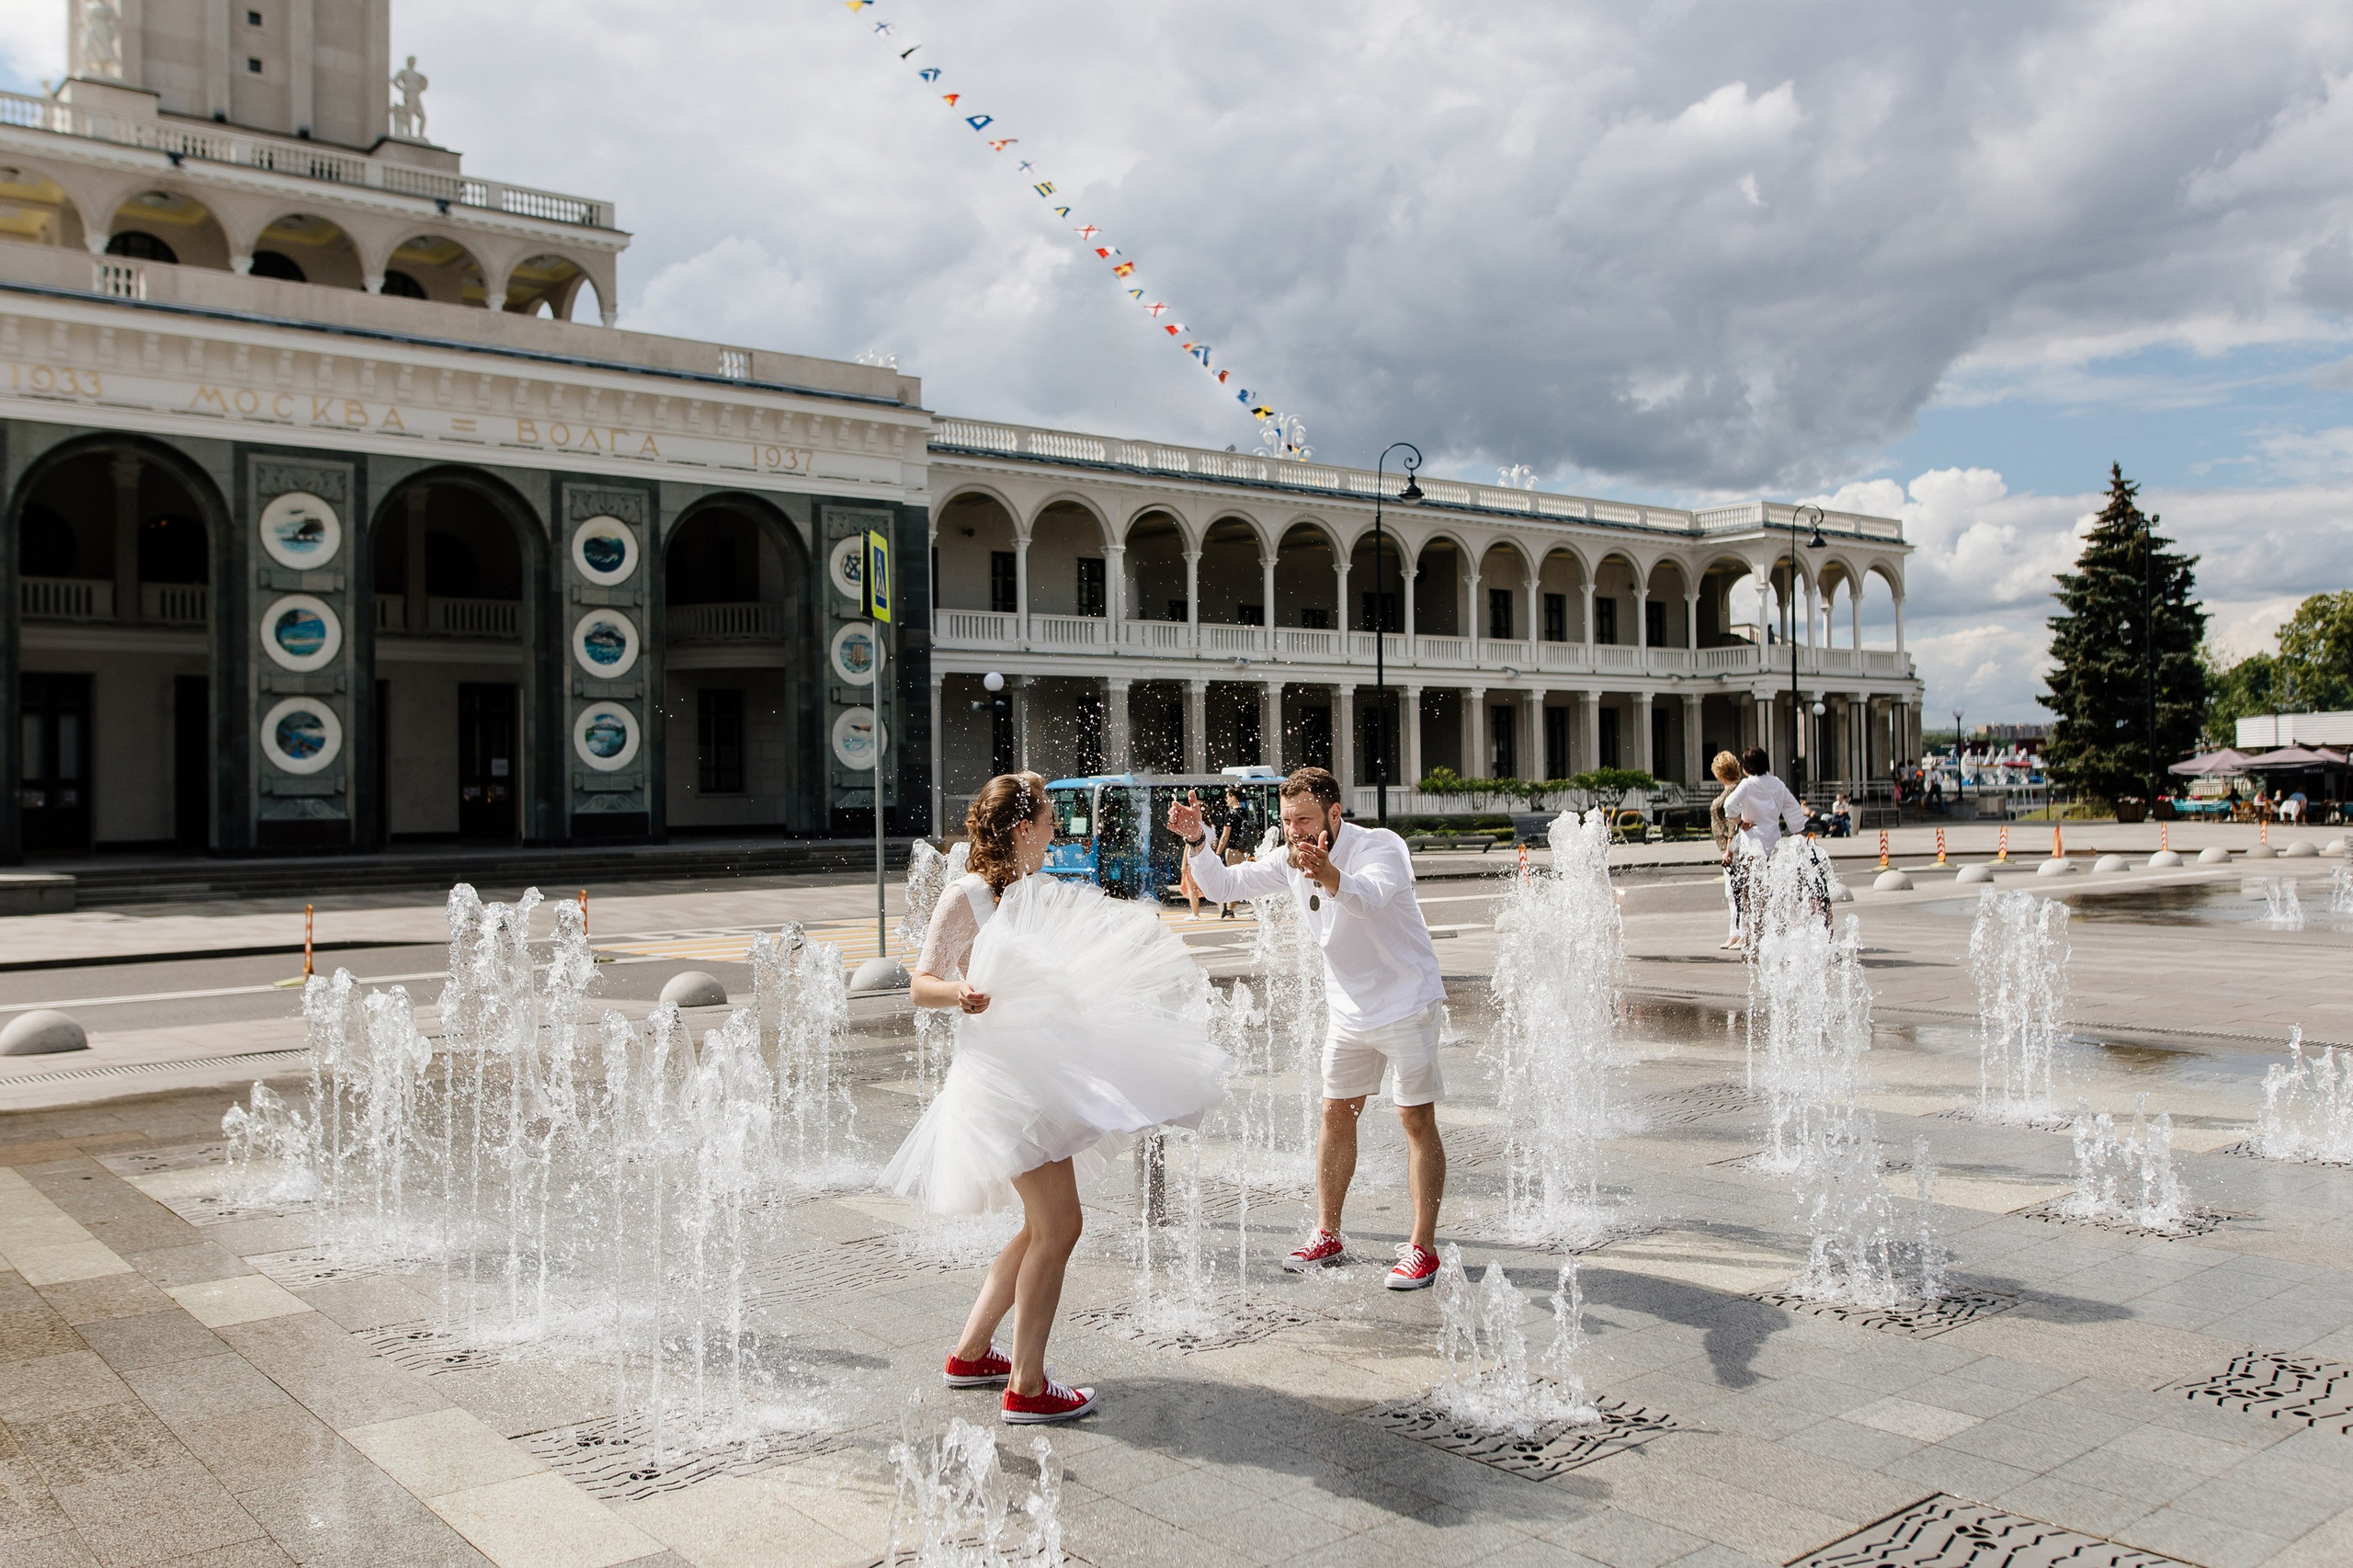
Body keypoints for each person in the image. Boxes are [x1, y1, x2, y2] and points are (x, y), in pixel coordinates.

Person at [888, 771, 1228, 1425]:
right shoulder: (966, 896)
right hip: (1006, 1087)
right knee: (1060, 1227)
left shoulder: (1034, 891)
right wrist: (959, 994)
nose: (1056, 828)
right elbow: (919, 983)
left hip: (1040, 1079)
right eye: (1048, 818)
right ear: (1022, 828)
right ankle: (1028, 1384)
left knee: (1043, 1226)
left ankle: (970, 1353)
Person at [1167, 767, 1449, 1290]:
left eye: (1304, 820)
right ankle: (1328, 1233)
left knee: (1414, 1118)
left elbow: (1368, 898)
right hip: (1349, 1010)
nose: (1294, 831)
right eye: (1287, 821)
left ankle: (1422, 1248)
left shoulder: (1380, 847)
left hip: (1407, 1000)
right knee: (1335, 1113)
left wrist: (1326, 873)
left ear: (1334, 815)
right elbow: (1223, 884)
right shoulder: (1289, 858)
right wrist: (1198, 840)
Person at [1724, 747, 1813, 949]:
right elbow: (1792, 807)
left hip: (1752, 846)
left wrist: (1740, 822)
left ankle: (1751, 936)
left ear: (1746, 767)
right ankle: (1773, 933)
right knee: (1772, 892)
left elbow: (1729, 805)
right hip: (1773, 844)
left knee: (1751, 894)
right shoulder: (1777, 784)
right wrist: (1798, 832)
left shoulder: (1747, 785)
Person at [1708, 751, 1745, 950]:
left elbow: (1733, 821)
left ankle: (1741, 932)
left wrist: (1729, 849)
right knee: (1732, 891)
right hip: (1730, 847)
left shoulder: (1733, 791)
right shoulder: (1732, 789)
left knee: (1736, 891)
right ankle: (1735, 932)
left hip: (1734, 848)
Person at [1215, 785, 1256, 920]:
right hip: (1244, 850)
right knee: (1247, 877)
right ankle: (1256, 905)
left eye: (1227, 797)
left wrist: (1218, 852)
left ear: (1233, 798)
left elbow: (1225, 835)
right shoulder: (1246, 812)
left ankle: (1229, 910)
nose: (1226, 800)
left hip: (1233, 851)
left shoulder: (1230, 814)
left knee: (1233, 879)